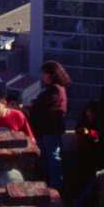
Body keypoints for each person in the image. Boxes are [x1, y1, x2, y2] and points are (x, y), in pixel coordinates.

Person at [28, 60, 70, 190]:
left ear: (51, 75)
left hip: (49, 130)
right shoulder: (56, 89)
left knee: (52, 159)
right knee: (49, 159)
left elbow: (45, 108)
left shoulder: (55, 90)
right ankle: (52, 186)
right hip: (48, 130)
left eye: (44, 74)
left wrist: (30, 108)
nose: (43, 77)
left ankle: (55, 188)